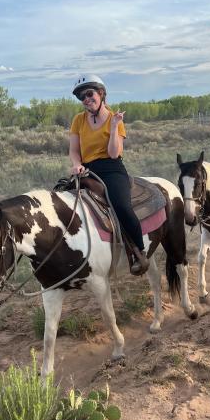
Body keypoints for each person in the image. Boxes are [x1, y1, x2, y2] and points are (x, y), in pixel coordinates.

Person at [69, 74, 149, 275]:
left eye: (89, 94)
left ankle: (139, 251)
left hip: (111, 169)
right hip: (87, 169)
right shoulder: (78, 120)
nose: (86, 99)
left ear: (101, 94)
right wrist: (77, 164)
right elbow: (74, 149)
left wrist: (114, 127)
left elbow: (114, 153)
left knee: (121, 206)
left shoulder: (115, 119)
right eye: (82, 97)